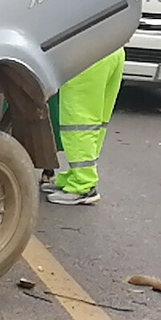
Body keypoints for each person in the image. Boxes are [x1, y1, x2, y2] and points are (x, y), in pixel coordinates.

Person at [42, 48, 125, 206]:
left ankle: (82, 185)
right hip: (113, 48)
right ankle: (77, 177)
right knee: (96, 121)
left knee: (79, 122)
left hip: (85, 55)